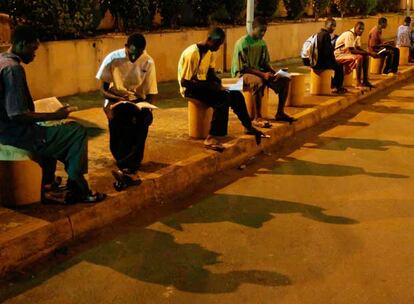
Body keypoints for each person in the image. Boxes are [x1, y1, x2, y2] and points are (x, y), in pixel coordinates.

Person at [0, 25, 105, 204]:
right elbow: (16, 114)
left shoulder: (2, 60)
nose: (35, 55)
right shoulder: (13, 69)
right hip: (16, 134)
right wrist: (54, 116)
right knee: (76, 132)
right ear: (21, 44)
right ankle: (78, 188)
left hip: (6, 130)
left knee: (52, 131)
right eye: (33, 49)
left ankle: (47, 184)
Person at [178, 27, 264, 151]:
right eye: (216, 44)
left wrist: (220, 84)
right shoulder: (192, 53)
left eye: (220, 45)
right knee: (222, 98)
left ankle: (248, 125)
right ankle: (212, 136)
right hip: (190, 88)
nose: (217, 48)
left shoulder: (209, 52)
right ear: (209, 39)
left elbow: (211, 74)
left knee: (235, 94)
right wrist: (211, 87)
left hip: (202, 85)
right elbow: (185, 82)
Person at [96, 32, 157, 177]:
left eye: (138, 54)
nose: (134, 57)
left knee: (144, 120)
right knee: (117, 119)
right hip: (115, 97)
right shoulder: (112, 58)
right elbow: (102, 90)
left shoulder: (148, 62)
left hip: (136, 99)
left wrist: (148, 108)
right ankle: (125, 162)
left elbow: (151, 92)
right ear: (126, 47)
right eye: (131, 54)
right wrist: (114, 100)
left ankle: (129, 165)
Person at [231, 16, 296, 126]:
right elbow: (244, 68)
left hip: (259, 72)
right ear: (253, 28)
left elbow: (265, 63)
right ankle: (257, 117)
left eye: (265, 31)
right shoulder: (242, 43)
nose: (263, 33)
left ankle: (280, 113)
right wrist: (263, 74)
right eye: (261, 30)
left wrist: (274, 73)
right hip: (242, 75)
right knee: (258, 82)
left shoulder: (262, 43)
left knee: (285, 79)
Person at [335, 22, 378, 88]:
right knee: (359, 57)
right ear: (355, 28)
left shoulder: (357, 35)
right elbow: (352, 50)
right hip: (339, 54)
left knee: (366, 57)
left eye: (362, 29)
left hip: (347, 53)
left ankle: (365, 80)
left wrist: (369, 54)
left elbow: (358, 48)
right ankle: (358, 82)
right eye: (359, 29)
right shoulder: (349, 34)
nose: (361, 30)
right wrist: (370, 53)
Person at [312, 18, 347, 94]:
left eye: (334, 26)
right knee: (339, 66)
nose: (333, 28)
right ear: (326, 25)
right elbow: (328, 52)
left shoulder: (318, 34)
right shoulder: (326, 35)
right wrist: (334, 61)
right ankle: (338, 87)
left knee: (333, 66)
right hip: (320, 63)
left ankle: (333, 84)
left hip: (314, 62)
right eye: (331, 25)